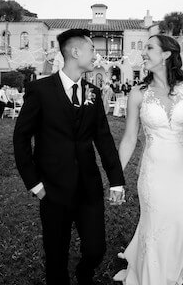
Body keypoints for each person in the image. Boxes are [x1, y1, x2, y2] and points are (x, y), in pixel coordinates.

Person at [13, 28, 125, 285]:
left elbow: (104, 140)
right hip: (52, 189)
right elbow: (21, 138)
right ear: (75, 52)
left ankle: (84, 273)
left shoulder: (93, 94)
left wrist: (116, 180)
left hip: (89, 187)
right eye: (91, 49)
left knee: (96, 249)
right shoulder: (39, 90)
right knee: (56, 256)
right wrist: (34, 183)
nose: (95, 54)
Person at [114, 34, 183, 284]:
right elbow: (130, 138)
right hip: (154, 171)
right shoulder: (138, 93)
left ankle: (175, 269)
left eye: (149, 48)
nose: (143, 52)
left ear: (166, 54)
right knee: (157, 225)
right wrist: (116, 179)